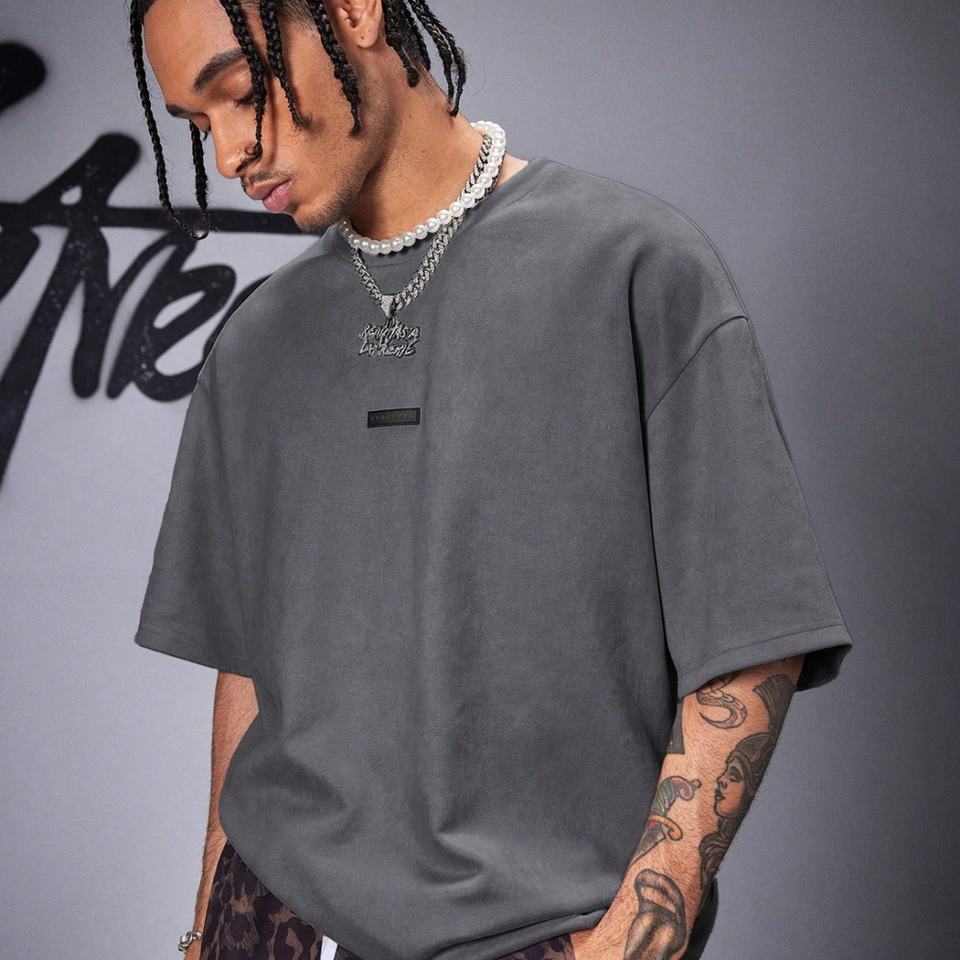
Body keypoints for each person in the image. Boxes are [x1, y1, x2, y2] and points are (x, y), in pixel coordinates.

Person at [128, 2, 855, 960]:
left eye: (239, 91)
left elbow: (754, 638)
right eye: (197, 123)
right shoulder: (259, 340)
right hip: (266, 922)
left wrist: (639, 931)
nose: (229, 152)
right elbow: (253, 662)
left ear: (355, 12)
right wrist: (207, 923)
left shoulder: (633, 268)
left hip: (538, 931)